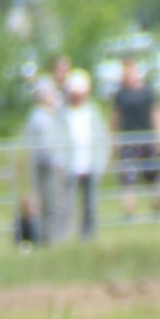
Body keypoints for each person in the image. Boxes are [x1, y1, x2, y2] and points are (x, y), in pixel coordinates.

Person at [63, 67, 108, 238]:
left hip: (90, 164)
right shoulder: (62, 114)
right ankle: (66, 237)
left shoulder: (93, 113)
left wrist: (100, 163)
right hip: (69, 166)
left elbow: (102, 139)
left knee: (90, 205)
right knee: (67, 205)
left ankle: (88, 237)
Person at [111, 58, 159, 215]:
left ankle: (157, 206)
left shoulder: (147, 92)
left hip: (147, 137)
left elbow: (156, 113)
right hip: (128, 139)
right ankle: (129, 210)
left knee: (153, 175)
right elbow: (116, 117)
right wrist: (114, 140)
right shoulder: (120, 94)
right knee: (128, 177)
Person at [26, 76, 68, 244]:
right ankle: (51, 241)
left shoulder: (49, 115)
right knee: (51, 206)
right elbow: (46, 146)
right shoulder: (40, 117)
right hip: (47, 167)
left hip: (49, 165)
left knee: (54, 206)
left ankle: (52, 239)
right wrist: (56, 161)